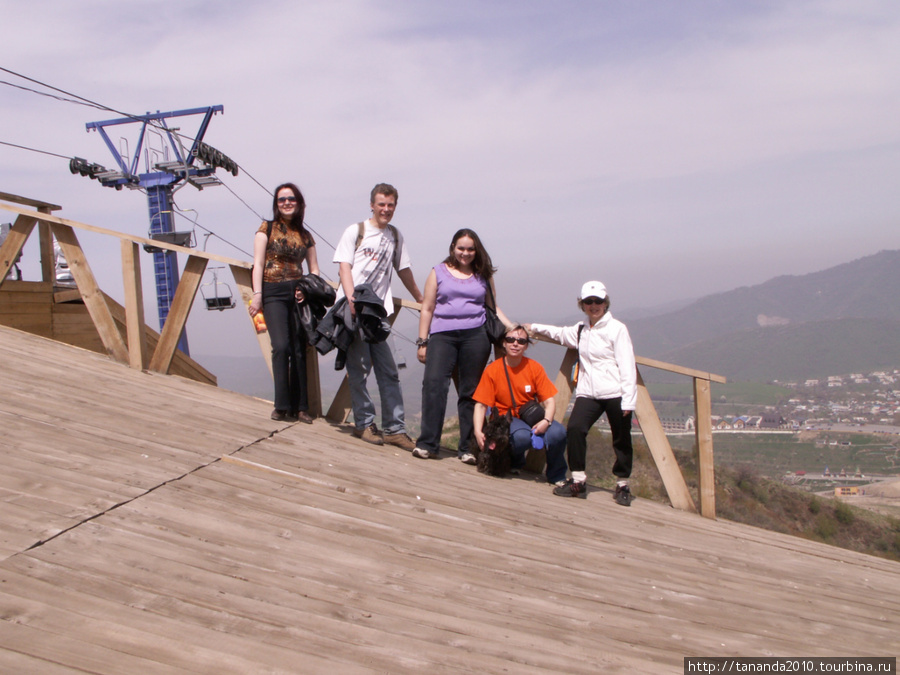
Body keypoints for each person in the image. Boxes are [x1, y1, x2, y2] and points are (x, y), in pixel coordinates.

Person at [527, 281, 637, 505]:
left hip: (615, 392)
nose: (593, 305)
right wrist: (534, 327)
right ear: (582, 304)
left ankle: (622, 483)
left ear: (606, 303)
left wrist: (629, 400)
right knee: (576, 429)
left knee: (621, 438)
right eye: (588, 301)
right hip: (588, 393)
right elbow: (558, 333)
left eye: (598, 301)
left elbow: (627, 364)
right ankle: (578, 479)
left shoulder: (617, 329)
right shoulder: (580, 330)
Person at [333, 183, 424, 449]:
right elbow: (344, 268)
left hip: (379, 313)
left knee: (388, 370)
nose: (386, 209)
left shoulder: (395, 236)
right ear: (371, 205)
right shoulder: (356, 231)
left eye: (390, 205)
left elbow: (403, 269)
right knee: (359, 369)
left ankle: (395, 429)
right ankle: (363, 423)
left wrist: (419, 296)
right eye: (381, 204)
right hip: (356, 309)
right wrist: (351, 299)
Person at [413, 229, 511, 463]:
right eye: (461, 248)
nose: (465, 253)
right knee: (434, 385)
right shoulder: (438, 272)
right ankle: (428, 444)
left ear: (476, 251)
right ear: (453, 248)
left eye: (470, 249)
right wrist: (422, 341)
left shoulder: (483, 274)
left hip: (476, 336)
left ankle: (467, 448)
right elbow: (427, 308)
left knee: (471, 391)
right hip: (442, 335)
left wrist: (513, 328)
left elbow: (492, 307)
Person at [249, 183, 319, 424]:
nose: (287, 203)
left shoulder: (306, 235)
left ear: (299, 203)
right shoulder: (266, 229)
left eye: (291, 199)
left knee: (300, 349)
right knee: (281, 346)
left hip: (298, 292)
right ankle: (281, 406)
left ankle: (301, 407)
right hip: (273, 291)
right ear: (276, 204)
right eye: (281, 200)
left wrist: (308, 291)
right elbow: (258, 263)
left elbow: (314, 268)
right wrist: (257, 295)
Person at [472, 324, 568, 487]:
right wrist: (477, 431)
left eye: (521, 341)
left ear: (526, 346)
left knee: (558, 432)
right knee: (521, 437)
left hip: (531, 415)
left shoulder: (534, 368)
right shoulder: (493, 370)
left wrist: (546, 421)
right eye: (511, 339)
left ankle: (556, 475)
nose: (515, 344)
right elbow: (480, 405)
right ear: (504, 343)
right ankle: (515, 462)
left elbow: (549, 401)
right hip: (506, 418)